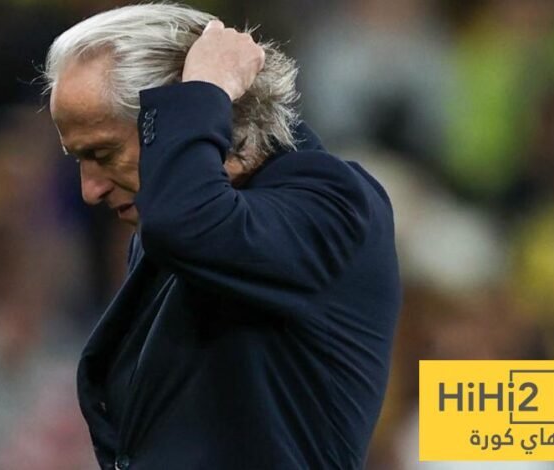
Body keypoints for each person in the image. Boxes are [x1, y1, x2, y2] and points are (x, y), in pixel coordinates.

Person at [44, 4, 401, 469]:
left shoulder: (334, 203)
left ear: (190, 115)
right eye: (78, 159)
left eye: (103, 153)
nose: (90, 190)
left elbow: (187, 223)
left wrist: (204, 88)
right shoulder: (176, 226)